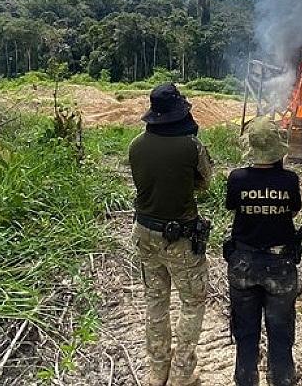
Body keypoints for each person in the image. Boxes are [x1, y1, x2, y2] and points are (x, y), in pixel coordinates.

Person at [129, 83, 213, 386]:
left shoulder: (136, 145)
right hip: (180, 240)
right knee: (192, 303)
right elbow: (204, 183)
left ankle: (157, 370)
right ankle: (181, 374)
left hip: (145, 233)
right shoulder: (192, 146)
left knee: (155, 300)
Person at [224, 117, 302, 386]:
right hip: (280, 265)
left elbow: (233, 208)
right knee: (280, 330)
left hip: (243, 264)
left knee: (246, 330)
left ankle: (246, 377)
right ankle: (281, 378)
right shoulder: (290, 180)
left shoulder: (237, 178)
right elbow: (293, 211)